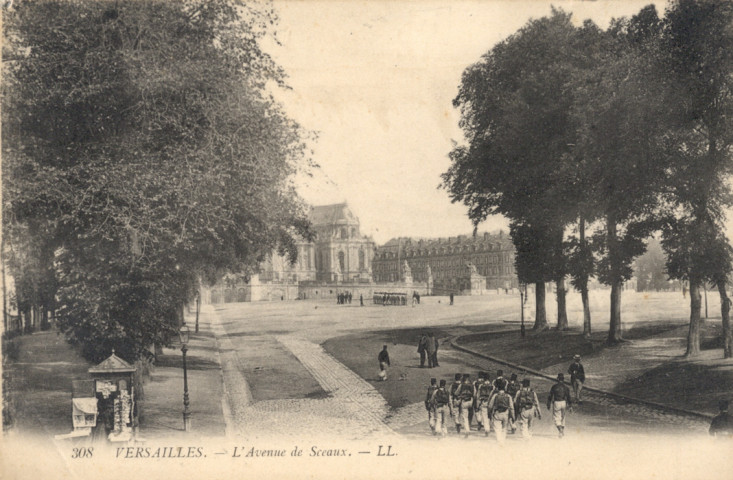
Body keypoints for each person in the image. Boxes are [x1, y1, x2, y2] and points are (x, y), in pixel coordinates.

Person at [547, 373, 572, 437]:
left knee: (556, 418)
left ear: (557, 379)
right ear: (563, 379)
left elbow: (550, 396)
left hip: (557, 402)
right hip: (564, 402)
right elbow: (568, 397)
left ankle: (560, 430)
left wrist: (548, 404)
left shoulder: (554, 387)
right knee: (563, 417)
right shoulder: (566, 388)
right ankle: (562, 431)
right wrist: (570, 406)